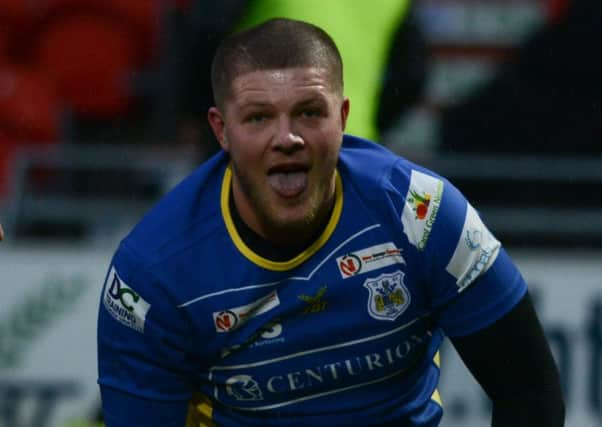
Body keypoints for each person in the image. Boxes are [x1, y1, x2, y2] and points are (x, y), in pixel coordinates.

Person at [97, 18, 565, 426]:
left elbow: (530, 392)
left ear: (342, 118)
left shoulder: (421, 213)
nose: (288, 138)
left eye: (309, 112)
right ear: (222, 130)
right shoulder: (150, 276)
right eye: (259, 117)